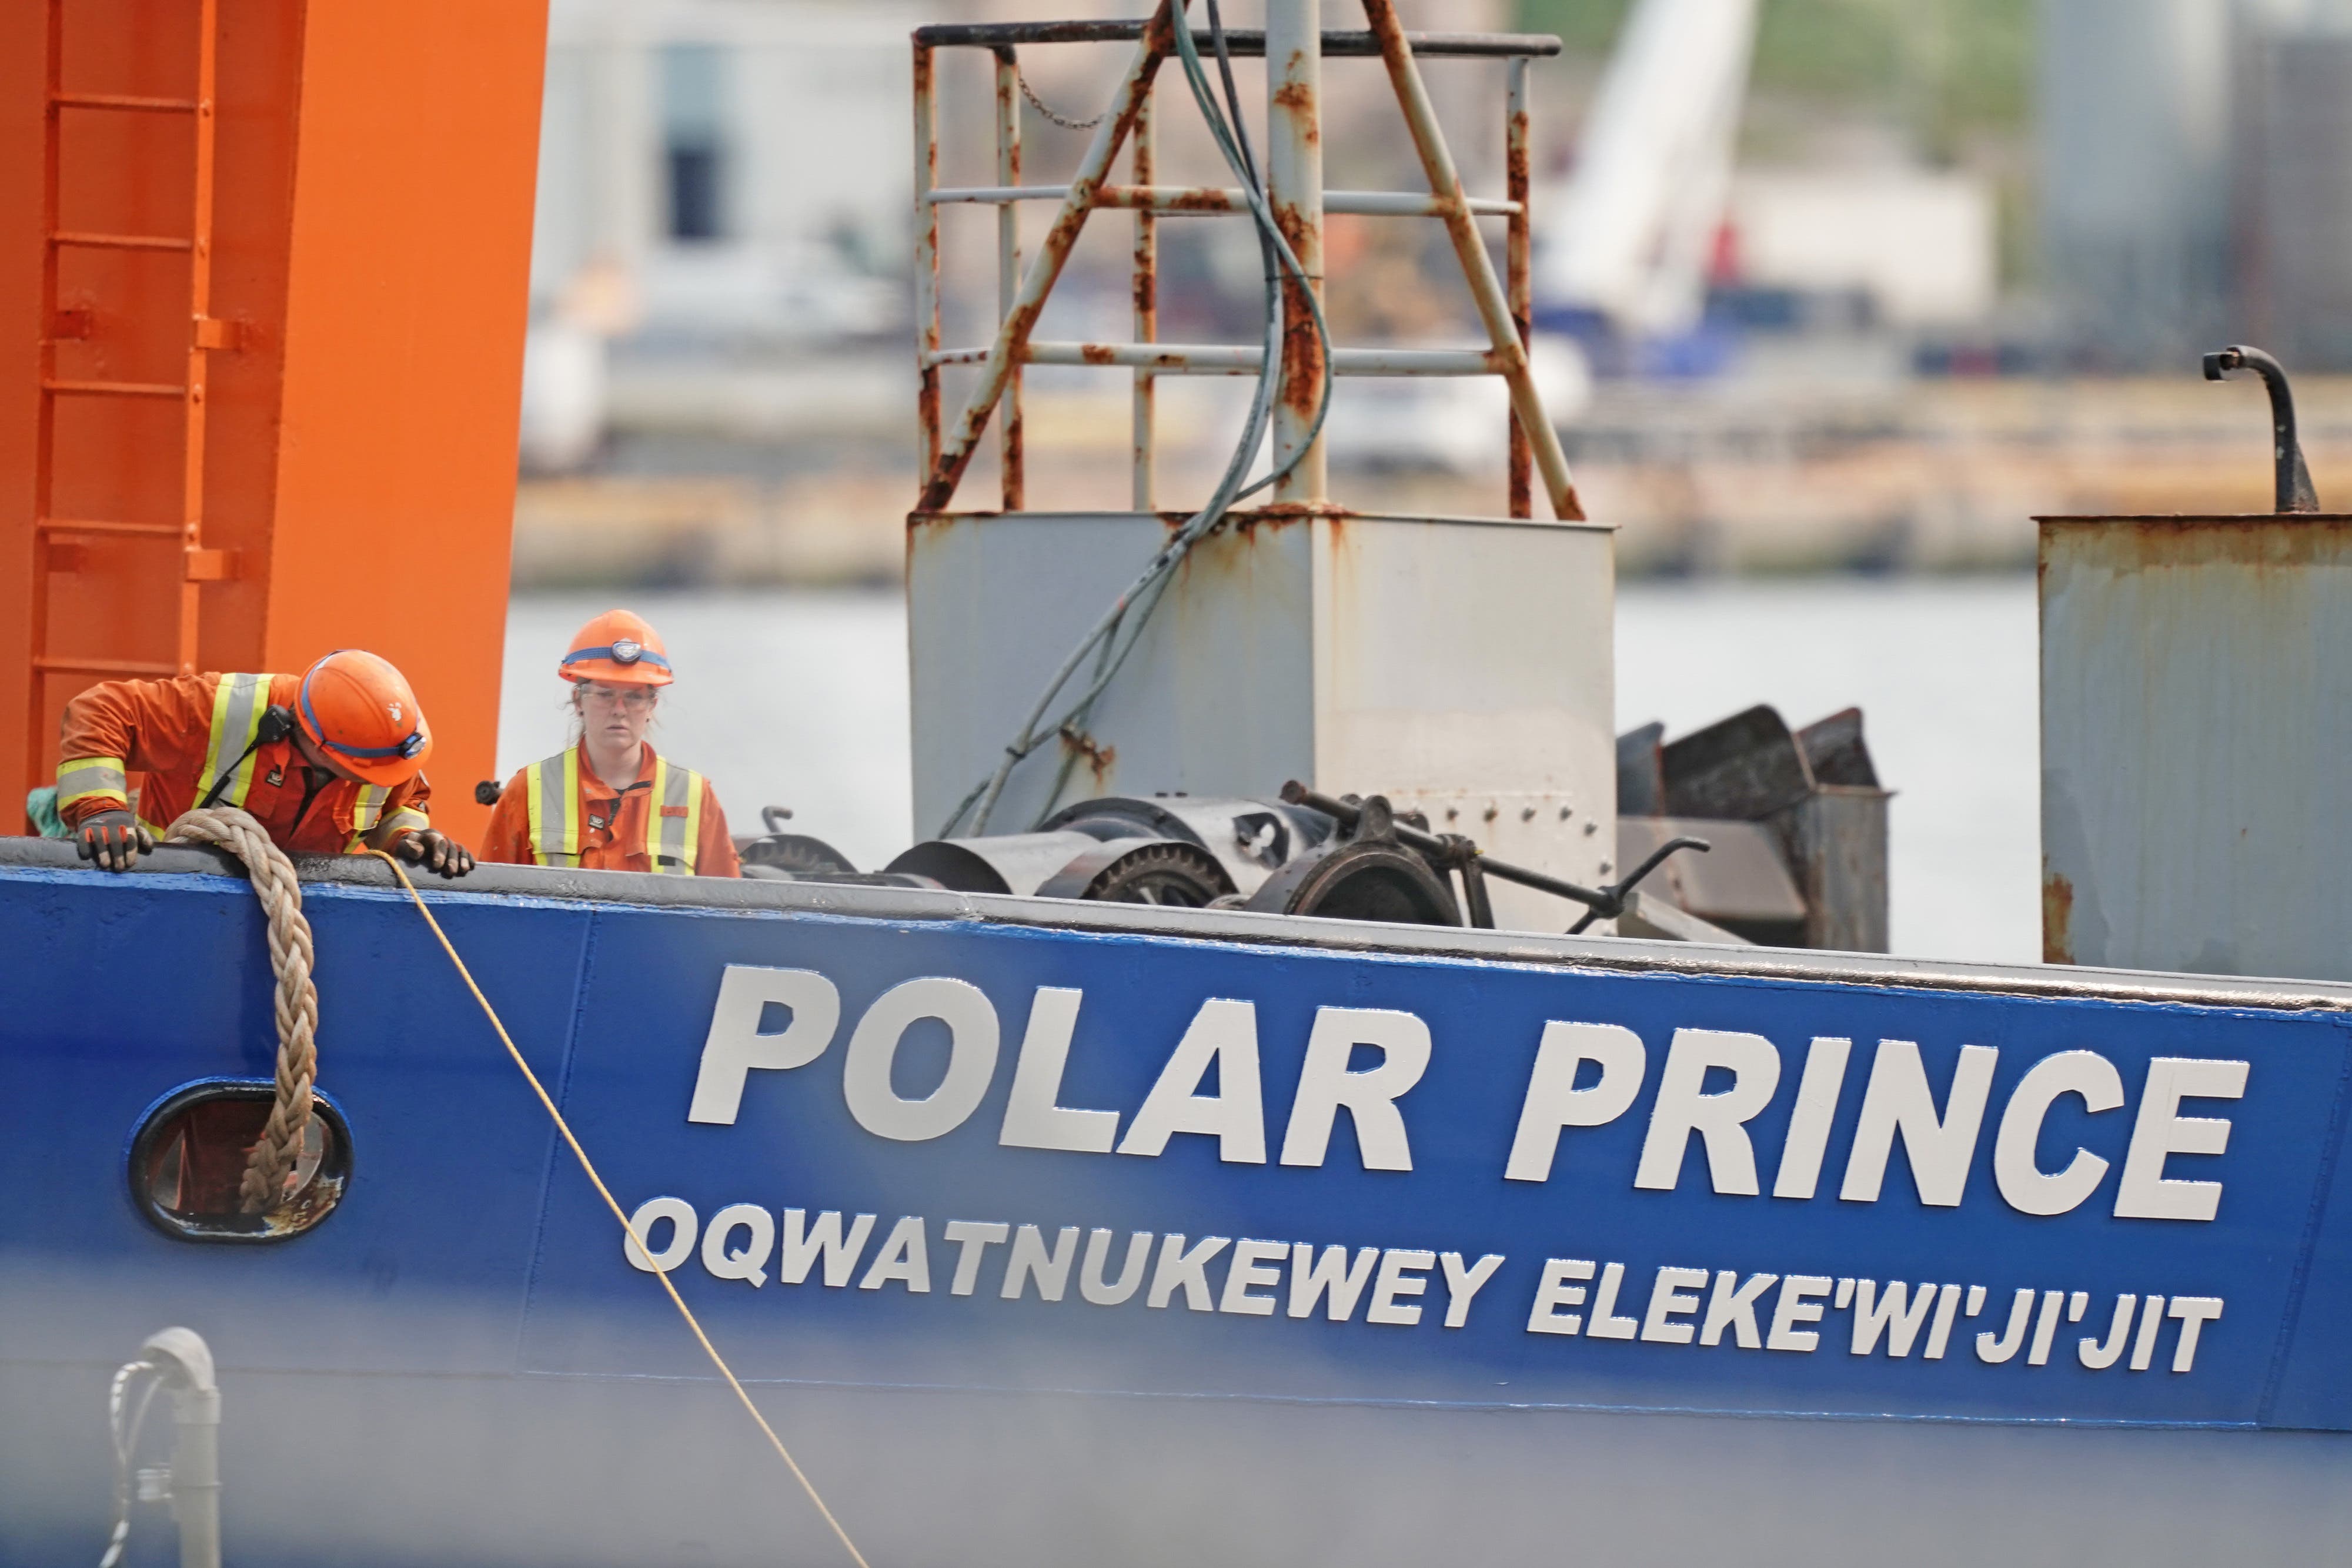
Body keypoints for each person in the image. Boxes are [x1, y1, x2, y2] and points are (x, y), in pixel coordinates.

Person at [54, 649, 474, 876]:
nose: (381, 779)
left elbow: (403, 799)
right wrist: (102, 810)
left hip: (299, 916)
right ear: (318, 743)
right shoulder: (219, 709)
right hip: (168, 887)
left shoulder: (382, 750)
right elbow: (101, 710)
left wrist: (409, 839)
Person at [479, 610, 740, 877]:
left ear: (652, 705)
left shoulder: (695, 797)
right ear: (579, 701)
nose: (619, 709)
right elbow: (491, 902)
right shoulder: (527, 791)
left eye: (634, 697)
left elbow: (728, 912)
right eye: (605, 694)